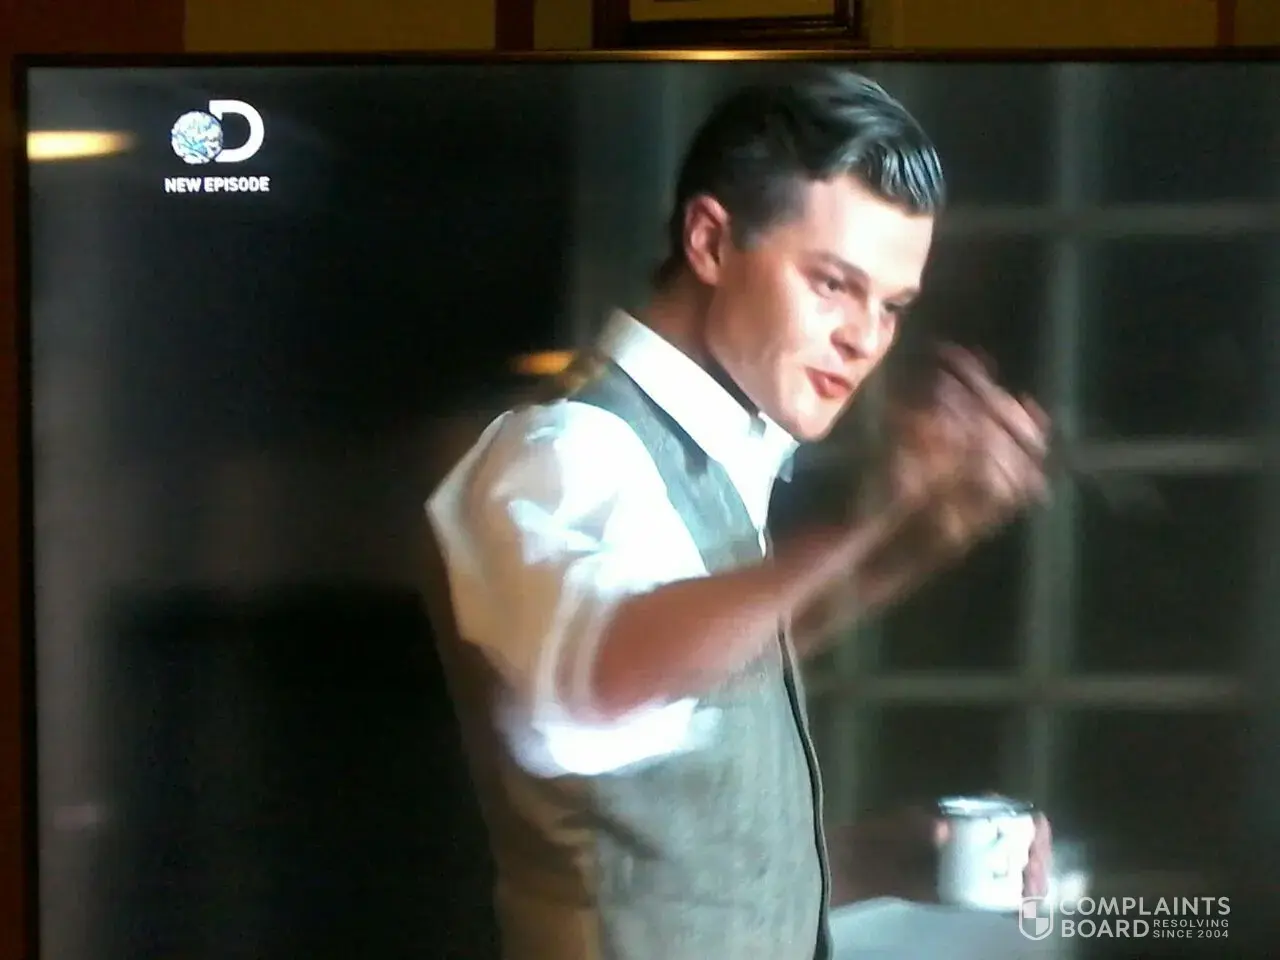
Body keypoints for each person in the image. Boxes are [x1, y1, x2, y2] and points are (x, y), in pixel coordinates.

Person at [422, 68, 1052, 960]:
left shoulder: (728, 455)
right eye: (832, 284)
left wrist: (875, 859)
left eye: (890, 306)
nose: (864, 337)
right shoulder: (565, 448)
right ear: (711, 242)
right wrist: (873, 521)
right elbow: (604, 672)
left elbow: (677, 777)